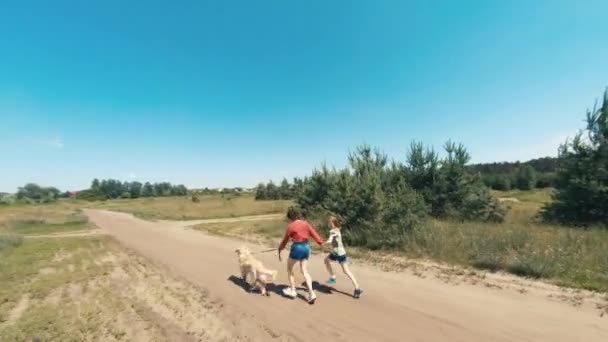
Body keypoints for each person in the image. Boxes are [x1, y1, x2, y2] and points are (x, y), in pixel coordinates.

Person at [278, 207, 324, 304]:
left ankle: (293, 290)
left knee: (289, 268)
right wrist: (320, 243)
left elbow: (285, 241)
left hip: (297, 248)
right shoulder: (306, 223)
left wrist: (280, 248)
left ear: (291, 217)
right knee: (304, 270)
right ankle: (311, 293)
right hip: (306, 247)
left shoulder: (291, 226)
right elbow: (315, 235)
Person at [324, 216, 363, 299]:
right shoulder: (337, 230)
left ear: (332, 223)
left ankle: (333, 277)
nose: (328, 223)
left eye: (329, 222)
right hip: (339, 253)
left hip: (338, 253)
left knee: (328, 262)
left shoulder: (333, 231)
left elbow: (330, 240)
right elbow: (333, 241)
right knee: (344, 270)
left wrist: (324, 243)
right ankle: (357, 288)